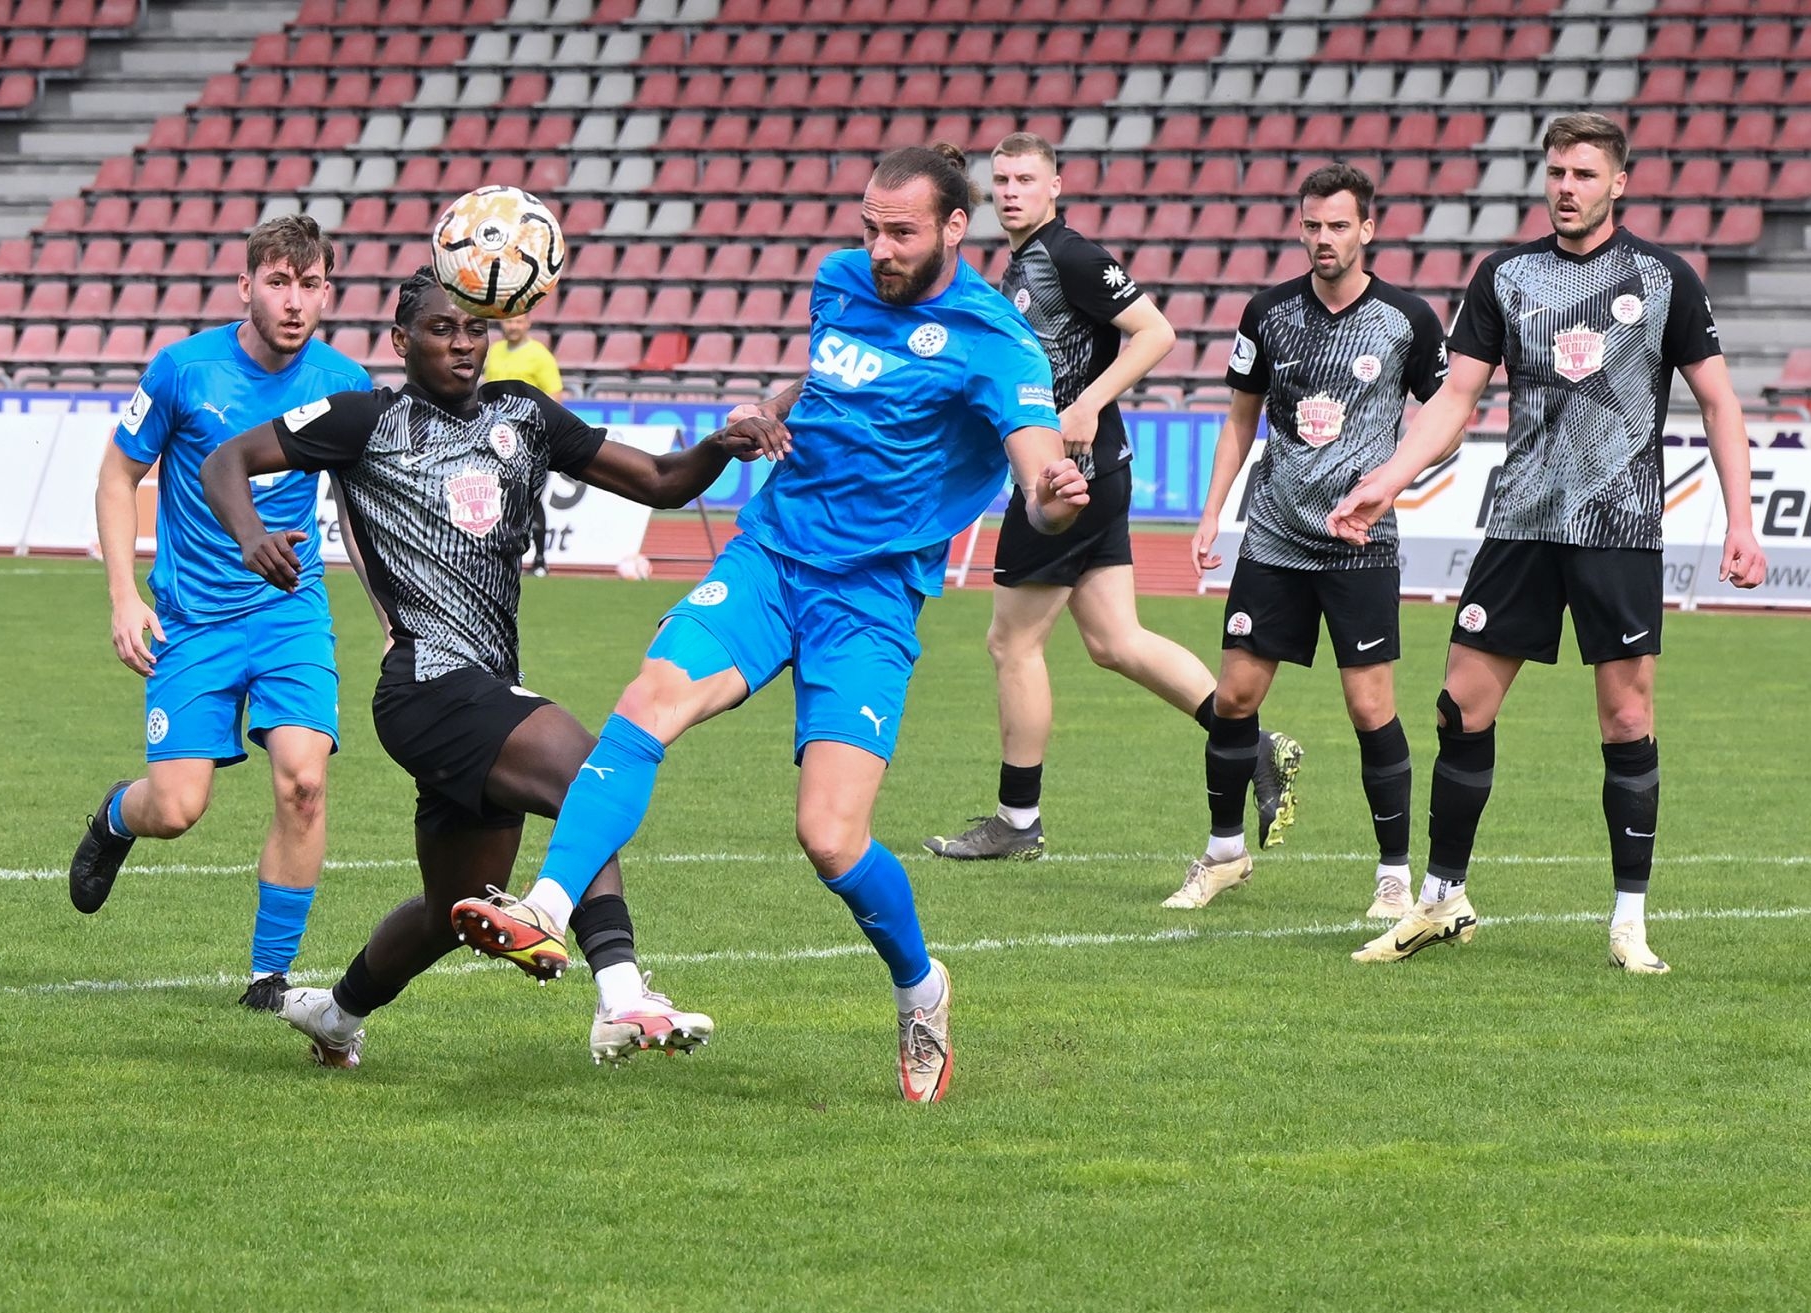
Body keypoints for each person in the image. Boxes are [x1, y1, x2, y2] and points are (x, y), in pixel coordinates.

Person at [448, 143, 1089, 1103]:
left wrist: (1053, 497)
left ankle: (922, 988)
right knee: (648, 701)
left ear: (957, 228)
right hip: (771, 557)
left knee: (830, 836)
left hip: (869, 600)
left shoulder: (997, 342)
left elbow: (1037, 470)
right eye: (869, 227)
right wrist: (773, 405)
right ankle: (544, 903)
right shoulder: (839, 281)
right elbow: (827, 383)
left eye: (901, 232)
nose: (878, 249)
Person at [200, 267, 765, 1068]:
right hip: (425, 682)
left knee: (450, 909)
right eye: (441, 329)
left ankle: (334, 1014)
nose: (462, 344)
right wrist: (251, 535)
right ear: (401, 341)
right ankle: (621, 993)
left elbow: (662, 481)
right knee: (589, 774)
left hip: (485, 689)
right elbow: (225, 461)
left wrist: (716, 447)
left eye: (475, 329)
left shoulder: (523, 414)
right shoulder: (365, 419)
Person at [1327, 112, 1767, 972]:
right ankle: (1441, 899)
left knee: (1627, 717)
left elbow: (1720, 403)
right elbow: (1455, 400)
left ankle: (1629, 921)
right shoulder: (1506, 274)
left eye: (1584, 174)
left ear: (1619, 183)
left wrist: (1741, 521)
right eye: (1557, 172)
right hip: (1521, 523)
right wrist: (1389, 477)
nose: (1567, 188)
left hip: (1619, 527)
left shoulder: (1663, 278)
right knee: (1461, 707)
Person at [924, 132, 1304, 865]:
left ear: (1055, 186)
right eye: (1001, 180)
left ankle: (1017, 819)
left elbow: (1156, 332)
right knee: (1115, 640)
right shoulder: (1022, 263)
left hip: (1067, 476)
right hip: (1095, 471)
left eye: (1025, 179)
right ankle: (1252, 744)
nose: (1010, 192)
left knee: (1012, 643)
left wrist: (1088, 403)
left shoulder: (1068, 255)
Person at [69, 215, 370, 1011]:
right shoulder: (183, 370)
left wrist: (395, 620)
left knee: (305, 781)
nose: (295, 301)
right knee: (177, 808)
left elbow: (360, 512)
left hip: (290, 611)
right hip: (193, 619)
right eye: (279, 282)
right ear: (246, 286)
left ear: (328, 292)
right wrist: (124, 595)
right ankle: (115, 816)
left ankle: (269, 975)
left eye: (310, 285)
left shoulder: (346, 384)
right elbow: (116, 477)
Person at [1181, 165, 1447, 915]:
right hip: (1273, 536)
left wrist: (1388, 482)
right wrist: (1212, 512)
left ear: (1367, 229)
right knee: (1235, 698)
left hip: (1360, 543)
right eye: (1312, 225)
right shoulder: (1267, 313)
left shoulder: (1407, 319)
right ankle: (1224, 854)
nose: (1323, 238)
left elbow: (1445, 418)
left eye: (1337, 225)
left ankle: (1393, 875)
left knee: (1370, 707)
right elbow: (1240, 419)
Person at [482, 312, 564, 576]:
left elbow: (555, 396)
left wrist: (539, 432)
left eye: (518, 321)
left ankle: (539, 560)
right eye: (509, 321)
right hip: (498, 440)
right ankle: (502, 558)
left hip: (530, 440)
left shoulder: (540, 355)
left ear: (528, 323)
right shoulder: (495, 351)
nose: (513, 326)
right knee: (499, 498)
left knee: (530, 498)